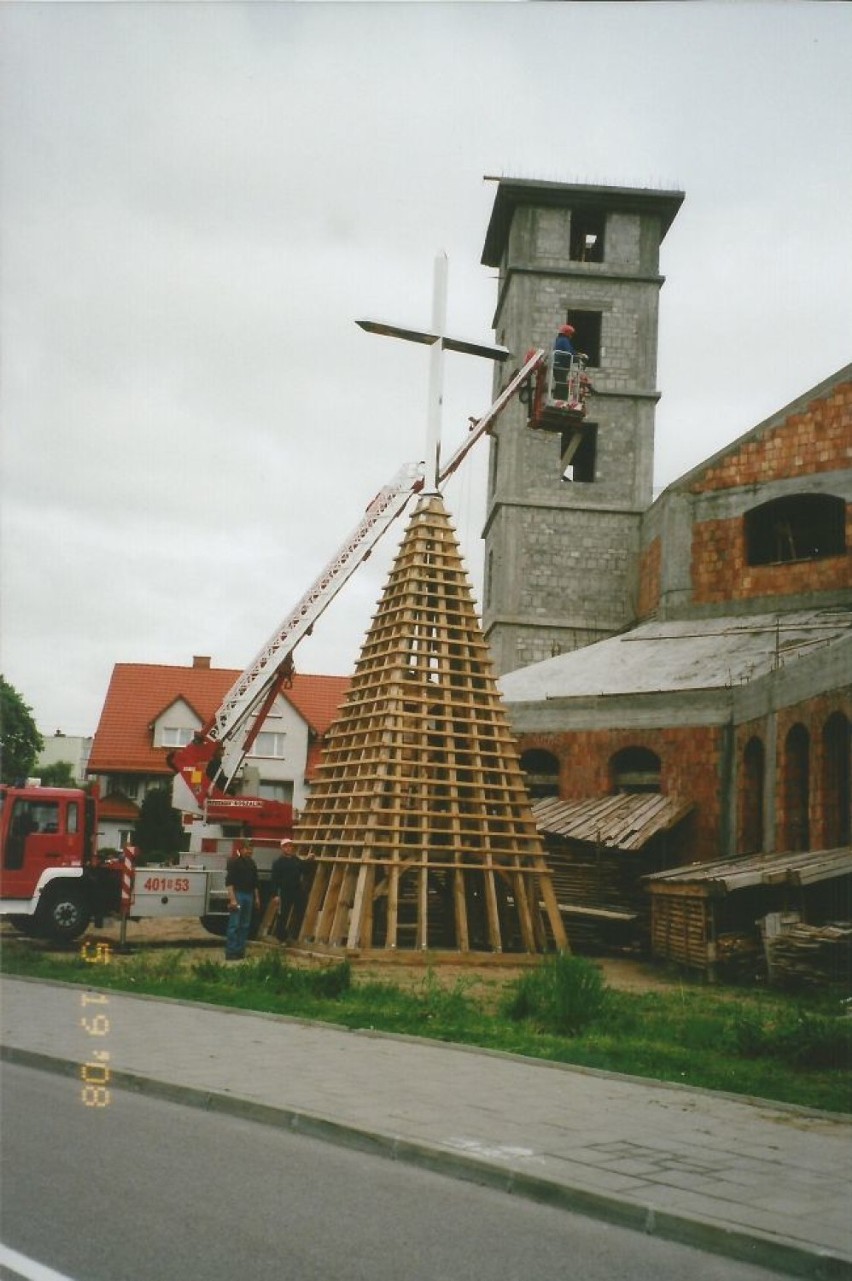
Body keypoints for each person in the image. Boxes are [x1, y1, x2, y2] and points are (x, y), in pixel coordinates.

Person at [269, 838, 311, 943]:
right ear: (282, 848)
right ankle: (281, 937)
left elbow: (304, 869)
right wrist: (275, 895)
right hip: (284, 892)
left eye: (290, 846)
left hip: (296, 890)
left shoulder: (295, 859)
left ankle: (293, 935)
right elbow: (274, 880)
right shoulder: (278, 863)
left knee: (300, 912)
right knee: (283, 915)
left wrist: (309, 860)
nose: (289, 848)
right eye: (286, 846)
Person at [225, 839, 260, 960]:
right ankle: (231, 951)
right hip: (238, 895)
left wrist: (257, 898)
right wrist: (233, 899)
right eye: (247, 849)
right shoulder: (235, 863)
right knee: (234, 924)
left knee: (245, 925)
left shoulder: (252, 864)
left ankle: (240, 950)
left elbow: (255, 883)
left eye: (251, 849)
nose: (249, 851)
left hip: (249, 896)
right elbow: (229, 883)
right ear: (241, 850)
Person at [552, 324, 577, 401]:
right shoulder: (564, 340)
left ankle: (556, 398)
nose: (571, 336)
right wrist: (577, 356)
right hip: (561, 366)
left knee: (559, 383)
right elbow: (569, 352)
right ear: (567, 333)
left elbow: (570, 350)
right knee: (562, 385)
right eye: (570, 334)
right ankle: (561, 400)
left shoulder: (559, 340)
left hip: (557, 366)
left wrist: (576, 353)